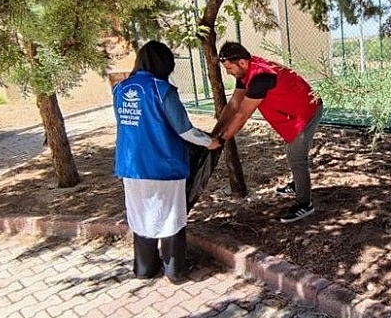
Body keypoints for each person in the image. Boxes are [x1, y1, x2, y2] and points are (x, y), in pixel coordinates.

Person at [113, 40, 220, 282]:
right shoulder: (162, 90)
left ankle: (145, 268)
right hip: (163, 165)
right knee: (171, 216)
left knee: (140, 216)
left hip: (131, 167)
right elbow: (184, 131)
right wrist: (210, 142)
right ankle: (175, 271)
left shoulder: (120, 89)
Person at [212, 41, 323, 223]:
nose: (228, 72)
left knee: (296, 157)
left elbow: (241, 115)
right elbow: (233, 105)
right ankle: (299, 185)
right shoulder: (246, 71)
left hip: (307, 111)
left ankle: (304, 203)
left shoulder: (260, 78)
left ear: (241, 62)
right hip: (293, 111)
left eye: (229, 68)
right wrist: (214, 133)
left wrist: (222, 140)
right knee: (295, 155)